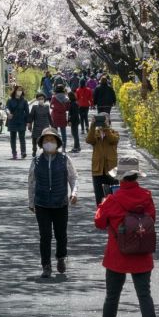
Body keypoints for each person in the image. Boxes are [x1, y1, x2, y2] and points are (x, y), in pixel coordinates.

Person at [93, 155, 157, 317]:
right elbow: (152, 219)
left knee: (112, 295)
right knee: (144, 294)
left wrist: (103, 204)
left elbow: (99, 222)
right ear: (137, 176)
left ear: (120, 178)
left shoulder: (113, 199)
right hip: (141, 252)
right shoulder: (146, 196)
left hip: (117, 253)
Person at [27, 126, 78, 278]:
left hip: (60, 203)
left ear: (57, 142)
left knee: (61, 234)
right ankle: (46, 265)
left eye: (52, 140)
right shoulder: (36, 161)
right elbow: (31, 182)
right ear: (41, 143)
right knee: (45, 235)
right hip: (41, 203)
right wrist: (31, 202)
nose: (49, 142)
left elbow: (73, 177)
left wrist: (74, 193)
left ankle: (61, 257)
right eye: (46, 140)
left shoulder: (64, 159)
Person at [87, 113, 120, 204]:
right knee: (99, 198)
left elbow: (112, 140)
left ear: (109, 122)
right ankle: (101, 216)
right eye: (101, 121)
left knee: (114, 197)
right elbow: (89, 140)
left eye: (105, 120)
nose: (102, 123)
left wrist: (106, 128)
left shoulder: (114, 133)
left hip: (111, 169)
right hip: (98, 169)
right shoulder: (95, 133)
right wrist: (93, 126)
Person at [5, 84, 30, 159]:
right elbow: (6, 108)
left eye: (21, 90)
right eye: (18, 90)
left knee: (22, 137)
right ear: (15, 91)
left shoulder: (24, 101)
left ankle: (23, 152)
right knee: (13, 138)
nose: (20, 91)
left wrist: (28, 122)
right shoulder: (10, 100)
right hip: (12, 120)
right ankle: (14, 153)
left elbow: (27, 112)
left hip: (21, 120)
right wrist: (8, 113)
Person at [27, 91, 52, 156]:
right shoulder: (35, 107)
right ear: (37, 99)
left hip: (45, 127)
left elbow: (49, 116)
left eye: (42, 98)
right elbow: (31, 116)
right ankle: (34, 150)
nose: (41, 100)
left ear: (44, 99)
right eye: (39, 98)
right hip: (37, 126)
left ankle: (45, 151)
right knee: (34, 139)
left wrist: (52, 125)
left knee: (45, 139)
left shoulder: (47, 107)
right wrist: (30, 124)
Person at [50, 83, 70, 149]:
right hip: (62, 116)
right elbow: (67, 108)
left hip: (55, 116)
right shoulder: (66, 98)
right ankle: (63, 148)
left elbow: (51, 106)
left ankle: (55, 147)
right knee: (63, 133)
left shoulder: (54, 98)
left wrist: (56, 108)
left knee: (55, 133)